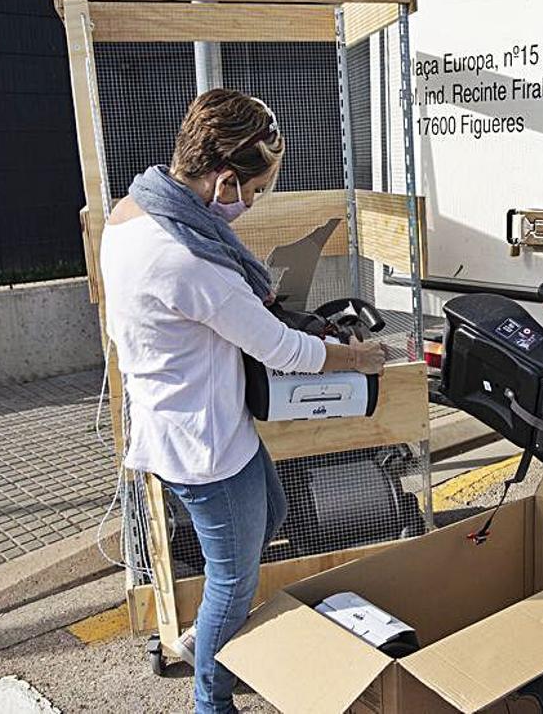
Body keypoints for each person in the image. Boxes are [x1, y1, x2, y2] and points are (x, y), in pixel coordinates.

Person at [100, 89, 385, 714]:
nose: (252, 206)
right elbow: (284, 351)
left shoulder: (137, 211)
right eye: (253, 192)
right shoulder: (185, 258)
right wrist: (357, 357)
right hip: (204, 447)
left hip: (195, 422)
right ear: (224, 180)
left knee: (272, 517)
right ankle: (211, 697)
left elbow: (228, 315)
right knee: (233, 577)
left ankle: (211, 636)